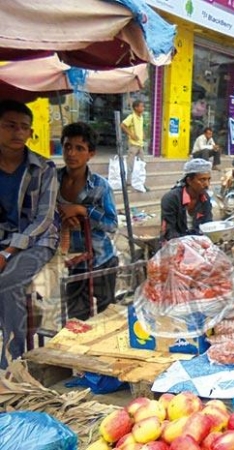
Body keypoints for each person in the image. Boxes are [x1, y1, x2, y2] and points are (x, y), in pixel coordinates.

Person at [0, 100, 59, 369]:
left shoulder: (44, 168)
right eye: (10, 126)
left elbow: (43, 219)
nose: (18, 133)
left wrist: (8, 251)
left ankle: (12, 362)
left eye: (24, 127)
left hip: (38, 240)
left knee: (9, 281)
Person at [58, 122, 119, 321]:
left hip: (101, 261)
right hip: (73, 264)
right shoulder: (51, 181)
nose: (71, 153)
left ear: (90, 153)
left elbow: (112, 224)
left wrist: (84, 210)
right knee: (76, 320)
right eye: (67, 146)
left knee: (105, 319)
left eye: (79, 148)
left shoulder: (100, 187)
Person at [160, 158, 213, 243]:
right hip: (174, 245)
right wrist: (187, 245)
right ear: (189, 180)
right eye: (202, 179)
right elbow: (169, 231)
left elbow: (208, 225)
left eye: (208, 179)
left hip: (198, 243)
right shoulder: (171, 199)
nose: (207, 184)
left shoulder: (205, 198)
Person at [120, 99, 145, 186]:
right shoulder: (131, 117)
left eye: (143, 106)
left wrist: (143, 134)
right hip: (133, 145)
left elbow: (140, 128)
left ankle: (139, 181)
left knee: (141, 164)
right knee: (130, 163)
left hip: (140, 144)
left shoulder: (141, 117)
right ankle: (128, 181)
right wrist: (131, 134)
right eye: (141, 106)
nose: (143, 108)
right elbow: (122, 125)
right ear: (136, 108)